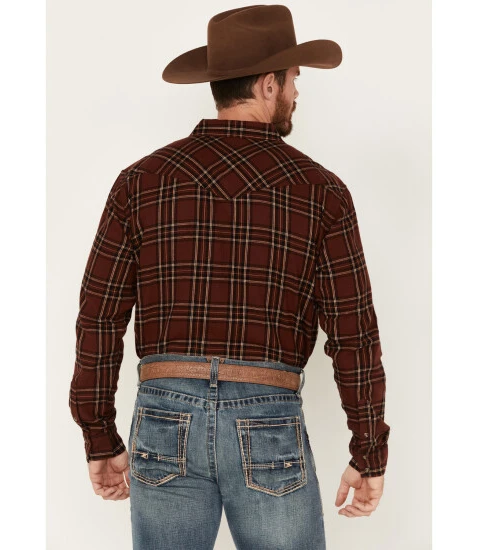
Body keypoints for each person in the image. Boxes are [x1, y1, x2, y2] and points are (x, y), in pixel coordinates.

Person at [69, 5, 390, 549]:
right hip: (268, 420)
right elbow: (353, 332)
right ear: (268, 85)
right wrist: (369, 451)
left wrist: (99, 435)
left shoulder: (139, 182)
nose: (296, 92)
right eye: (293, 79)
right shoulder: (322, 192)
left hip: (163, 416)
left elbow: (98, 315)